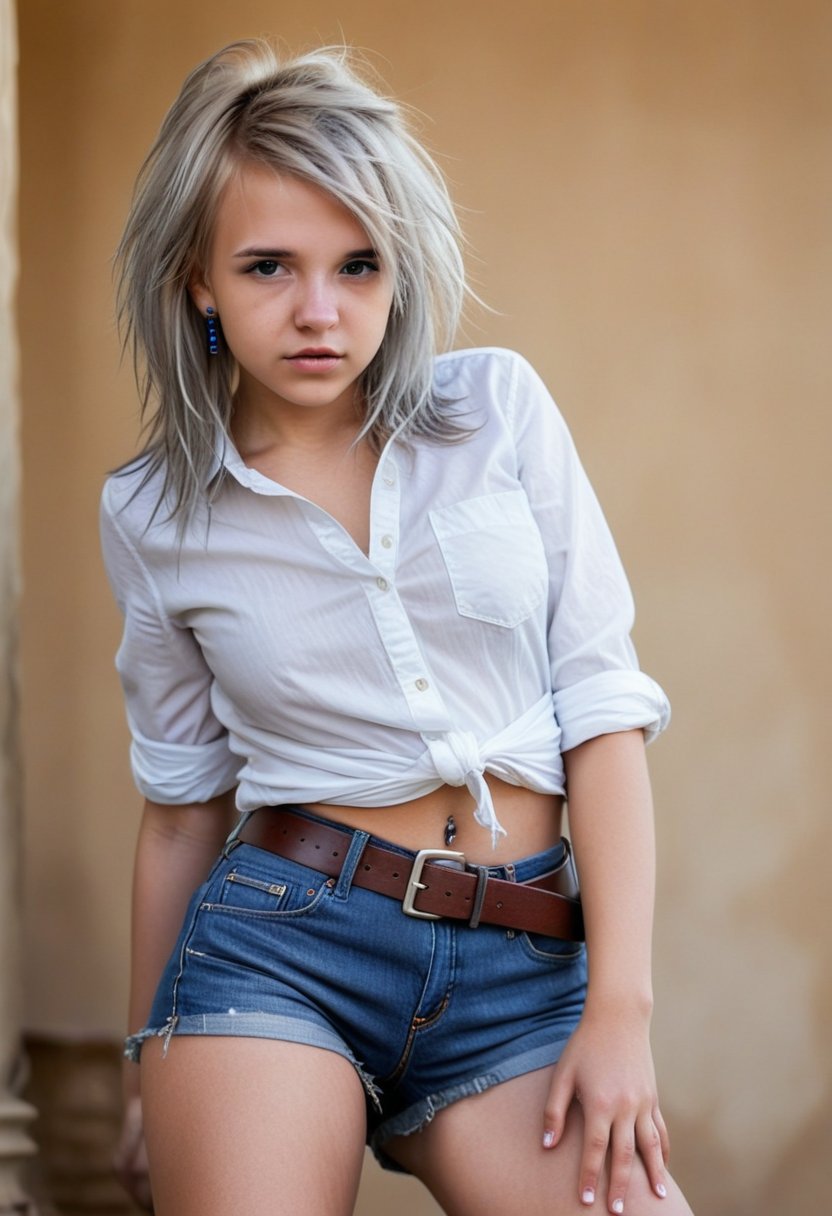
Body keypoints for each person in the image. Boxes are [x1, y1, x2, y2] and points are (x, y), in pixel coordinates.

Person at [101, 38, 694, 1216]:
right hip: (280, 948)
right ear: (196, 280)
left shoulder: (498, 413)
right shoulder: (154, 513)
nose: (320, 313)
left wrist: (617, 1009)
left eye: (358, 265)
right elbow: (180, 810)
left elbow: (601, 712)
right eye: (269, 266)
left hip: (523, 968)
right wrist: (139, 1068)